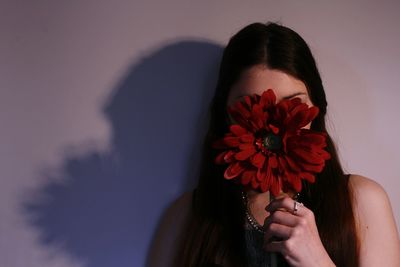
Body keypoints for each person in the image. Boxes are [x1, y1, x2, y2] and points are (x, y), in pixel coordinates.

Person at [147, 22, 400, 267]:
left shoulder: (361, 201)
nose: (272, 124)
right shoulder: (186, 217)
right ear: (225, 113)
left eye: (293, 106)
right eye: (250, 107)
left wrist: (316, 260)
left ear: (316, 109)